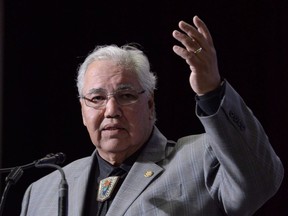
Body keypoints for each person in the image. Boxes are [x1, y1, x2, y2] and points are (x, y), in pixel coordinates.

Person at [20, 15, 284, 216]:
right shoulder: (42, 191)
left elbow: (261, 180)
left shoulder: (203, 158)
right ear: (82, 110)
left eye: (126, 96)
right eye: (97, 98)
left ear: (149, 105)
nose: (111, 111)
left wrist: (212, 91)